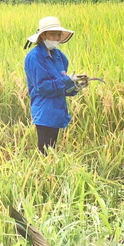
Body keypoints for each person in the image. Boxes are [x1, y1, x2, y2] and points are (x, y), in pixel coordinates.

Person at [24, 16, 87, 154]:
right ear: (43, 35)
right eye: (53, 34)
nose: (57, 38)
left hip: (57, 110)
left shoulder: (60, 56)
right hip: (44, 110)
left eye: (59, 34)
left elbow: (61, 88)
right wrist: (67, 80)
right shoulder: (35, 57)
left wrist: (75, 86)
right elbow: (43, 87)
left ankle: (51, 168)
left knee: (52, 149)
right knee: (45, 151)